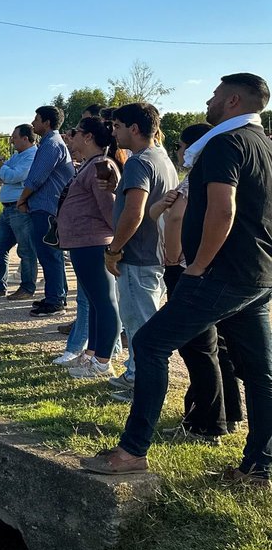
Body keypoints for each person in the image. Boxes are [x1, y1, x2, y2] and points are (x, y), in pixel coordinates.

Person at [82, 73, 272, 486]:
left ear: (234, 101)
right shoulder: (264, 144)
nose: (210, 99)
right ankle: (259, 465)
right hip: (256, 274)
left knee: (150, 343)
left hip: (221, 274)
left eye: (217, 94)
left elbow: (224, 209)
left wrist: (199, 266)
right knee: (260, 371)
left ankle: (132, 452)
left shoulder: (226, 142)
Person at [151, 122, 240, 440]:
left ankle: (206, 422)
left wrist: (173, 259)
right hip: (220, 271)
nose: (178, 151)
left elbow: (175, 219)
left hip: (188, 269)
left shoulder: (196, 180)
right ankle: (231, 413)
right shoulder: (228, 176)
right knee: (218, 347)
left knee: (197, 348)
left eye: (180, 146)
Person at [100, 103, 180, 395]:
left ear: (134, 128)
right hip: (155, 253)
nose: (113, 132)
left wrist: (114, 249)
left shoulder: (138, 161)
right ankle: (137, 373)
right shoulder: (162, 157)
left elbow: (134, 212)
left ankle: (141, 381)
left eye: (117, 126)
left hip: (137, 255)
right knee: (143, 319)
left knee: (139, 325)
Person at [53, 118, 123, 379]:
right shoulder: (90, 165)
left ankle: (103, 361)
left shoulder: (101, 166)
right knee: (95, 302)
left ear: (89, 137)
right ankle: (92, 353)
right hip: (83, 243)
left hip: (94, 242)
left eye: (75, 133)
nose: (70, 137)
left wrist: (116, 243)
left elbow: (109, 208)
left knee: (104, 302)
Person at [17, 106, 76, 316]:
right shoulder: (52, 142)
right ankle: (56, 294)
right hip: (49, 206)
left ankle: (55, 300)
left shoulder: (51, 144)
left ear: (47, 122)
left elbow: (37, 177)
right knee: (51, 254)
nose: (33, 123)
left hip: (47, 206)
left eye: (37, 119)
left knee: (49, 253)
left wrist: (22, 199)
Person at [0, 124, 38, 300]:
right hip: (8, 209)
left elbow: (12, 176)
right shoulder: (17, 155)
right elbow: (1, 177)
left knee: (26, 250)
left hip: (20, 208)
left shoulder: (32, 155)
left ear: (25, 138)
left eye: (15, 137)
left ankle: (27, 287)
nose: (12, 140)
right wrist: (3, 170)